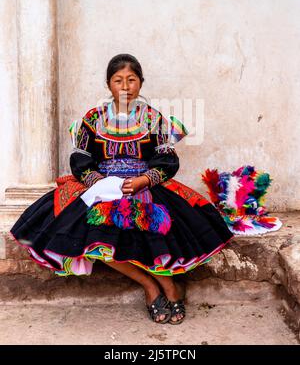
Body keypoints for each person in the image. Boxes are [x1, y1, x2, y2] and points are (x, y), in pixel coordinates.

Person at [10, 53, 234, 325]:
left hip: (144, 184)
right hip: (102, 188)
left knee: (151, 233)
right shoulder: (93, 119)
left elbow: (167, 159)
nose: (125, 86)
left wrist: (144, 181)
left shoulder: (153, 118)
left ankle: (171, 288)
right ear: (108, 85)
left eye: (131, 80)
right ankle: (151, 287)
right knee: (95, 239)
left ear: (141, 82)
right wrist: (97, 182)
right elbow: (80, 159)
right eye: (118, 80)